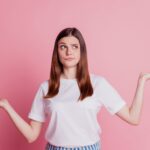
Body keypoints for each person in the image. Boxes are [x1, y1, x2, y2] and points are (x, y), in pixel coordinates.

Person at [0, 27, 150, 150]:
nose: (69, 52)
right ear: (56, 53)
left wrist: (142, 81)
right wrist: (6, 106)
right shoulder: (46, 88)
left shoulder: (97, 83)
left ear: (81, 51)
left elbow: (133, 117)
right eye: (63, 47)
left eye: (74, 47)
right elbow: (31, 136)